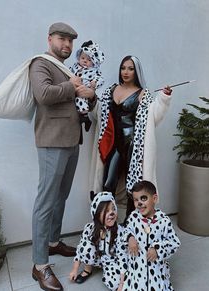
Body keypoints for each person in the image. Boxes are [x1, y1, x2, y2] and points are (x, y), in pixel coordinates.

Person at [29, 22, 96, 291]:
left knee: (61, 196)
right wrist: (72, 85)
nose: (67, 44)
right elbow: (43, 95)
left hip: (71, 140)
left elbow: (78, 97)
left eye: (70, 40)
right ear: (50, 39)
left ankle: (53, 242)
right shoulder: (40, 64)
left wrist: (90, 96)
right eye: (61, 39)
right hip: (51, 142)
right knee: (46, 200)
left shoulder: (70, 68)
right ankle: (39, 265)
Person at [97, 55, 172, 218]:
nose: (126, 72)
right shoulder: (111, 89)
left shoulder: (143, 94)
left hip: (134, 146)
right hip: (114, 144)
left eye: (130, 68)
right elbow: (100, 113)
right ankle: (105, 223)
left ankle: (132, 224)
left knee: (135, 187)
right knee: (108, 184)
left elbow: (154, 117)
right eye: (123, 68)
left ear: (136, 71)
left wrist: (164, 98)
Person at [123, 180, 180, 290]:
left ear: (154, 198)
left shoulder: (163, 221)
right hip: (137, 272)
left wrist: (158, 249)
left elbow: (174, 243)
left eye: (143, 198)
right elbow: (126, 231)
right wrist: (130, 237)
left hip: (156, 272)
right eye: (136, 200)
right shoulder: (133, 218)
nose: (139, 203)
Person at [69, 191, 128, 291]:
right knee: (86, 246)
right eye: (106, 211)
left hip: (111, 261)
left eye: (113, 209)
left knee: (114, 284)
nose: (112, 213)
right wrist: (74, 270)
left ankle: (115, 276)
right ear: (96, 214)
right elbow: (80, 250)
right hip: (95, 258)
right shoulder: (89, 228)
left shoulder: (120, 232)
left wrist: (121, 284)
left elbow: (123, 258)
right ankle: (88, 270)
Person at [70, 40, 105, 131]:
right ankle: (84, 118)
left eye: (89, 60)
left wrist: (95, 83)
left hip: (85, 88)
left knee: (82, 99)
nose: (85, 61)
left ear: (93, 62)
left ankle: (85, 117)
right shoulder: (75, 67)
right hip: (74, 88)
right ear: (78, 57)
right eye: (83, 58)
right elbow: (69, 73)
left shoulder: (94, 70)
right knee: (77, 100)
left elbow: (100, 79)